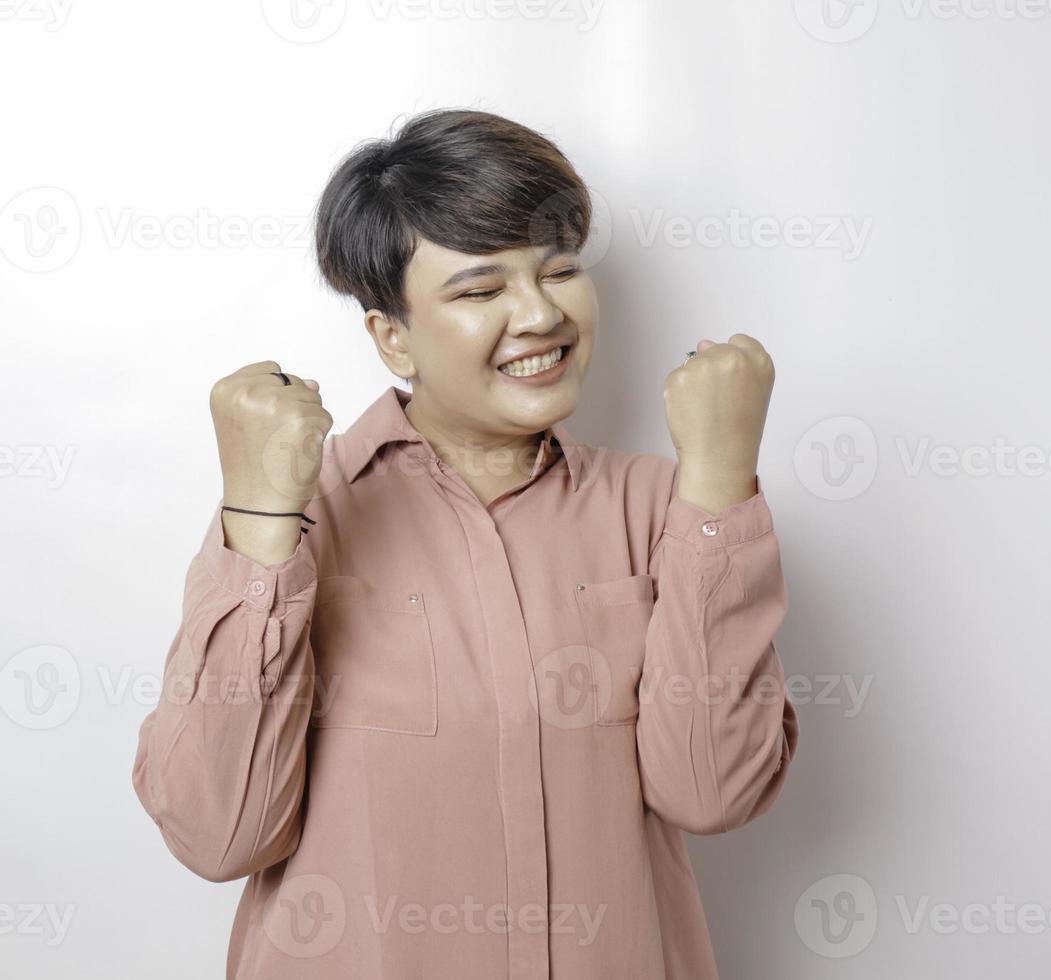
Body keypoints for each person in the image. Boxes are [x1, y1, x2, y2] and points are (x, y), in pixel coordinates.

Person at [130, 107, 800, 979]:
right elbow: (219, 834)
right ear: (391, 335)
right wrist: (260, 519)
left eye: (559, 271)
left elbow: (714, 793)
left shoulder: (664, 508)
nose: (538, 315)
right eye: (481, 291)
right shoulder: (298, 517)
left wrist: (717, 485)